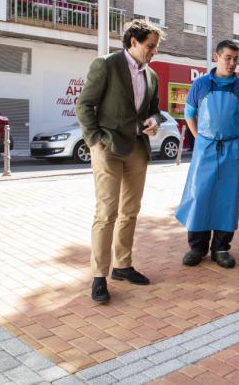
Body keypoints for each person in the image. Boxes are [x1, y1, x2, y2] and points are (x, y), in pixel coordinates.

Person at [76, 20, 164, 304]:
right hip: (108, 147)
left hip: (137, 147)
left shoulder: (152, 76)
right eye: (150, 46)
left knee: (130, 211)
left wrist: (154, 121)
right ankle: (99, 275)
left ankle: (122, 266)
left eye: (155, 48)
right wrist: (94, 140)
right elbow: (84, 105)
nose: (153, 52)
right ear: (133, 42)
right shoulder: (107, 64)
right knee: (107, 212)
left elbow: (154, 111)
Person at [175, 40, 239, 269]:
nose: (232, 63)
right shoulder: (200, 84)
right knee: (200, 194)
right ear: (216, 57)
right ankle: (197, 247)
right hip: (205, 148)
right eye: (228, 57)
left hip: (232, 149)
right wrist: (199, 136)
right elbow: (190, 113)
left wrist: (233, 134)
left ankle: (221, 248)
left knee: (228, 197)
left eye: (235, 59)